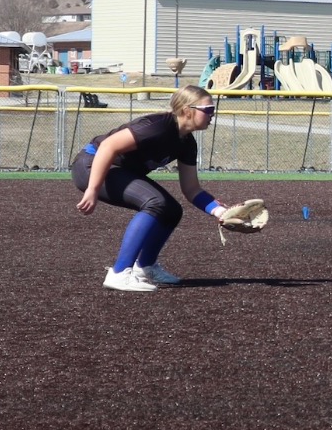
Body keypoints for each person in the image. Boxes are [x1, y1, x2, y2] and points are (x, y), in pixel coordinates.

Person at [71, 84, 237, 292]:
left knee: (172, 211)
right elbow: (108, 146)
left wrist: (221, 212)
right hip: (92, 165)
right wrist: (93, 189)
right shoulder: (157, 126)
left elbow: (192, 189)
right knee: (156, 203)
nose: (213, 114)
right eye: (208, 110)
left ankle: (145, 267)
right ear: (187, 111)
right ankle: (119, 273)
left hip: (117, 170)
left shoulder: (187, 143)